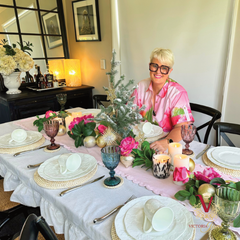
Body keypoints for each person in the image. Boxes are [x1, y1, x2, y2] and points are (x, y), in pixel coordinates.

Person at [132, 48, 194, 152]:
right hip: (140, 143)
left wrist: (166, 142)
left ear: (170, 71)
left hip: (166, 146)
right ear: (150, 66)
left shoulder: (178, 93)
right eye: (155, 66)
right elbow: (129, 114)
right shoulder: (141, 86)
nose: (158, 71)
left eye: (164, 68)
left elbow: (183, 128)